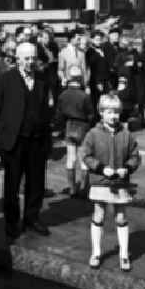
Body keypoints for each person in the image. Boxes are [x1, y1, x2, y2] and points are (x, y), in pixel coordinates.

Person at [0, 42, 51, 240]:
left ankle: (32, 218)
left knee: (36, 183)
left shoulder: (43, 80)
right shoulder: (5, 80)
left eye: (33, 58)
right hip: (14, 141)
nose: (30, 62)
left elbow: (47, 110)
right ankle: (11, 222)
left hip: (37, 140)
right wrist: (0, 142)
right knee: (12, 185)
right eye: (26, 58)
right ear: (17, 59)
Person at [80, 93, 141, 271]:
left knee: (121, 216)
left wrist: (127, 168)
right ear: (101, 113)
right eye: (109, 112)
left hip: (120, 183)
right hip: (100, 181)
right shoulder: (92, 134)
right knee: (98, 214)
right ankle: (96, 252)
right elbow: (85, 155)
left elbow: (135, 156)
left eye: (116, 112)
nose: (113, 116)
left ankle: (123, 254)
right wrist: (100, 168)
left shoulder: (127, 134)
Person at [54, 65, 93, 198]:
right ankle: (84, 188)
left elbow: (59, 114)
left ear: (69, 77)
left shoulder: (63, 95)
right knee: (83, 159)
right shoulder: (84, 96)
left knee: (71, 158)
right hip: (83, 127)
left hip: (69, 126)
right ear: (80, 78)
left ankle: (72, 188)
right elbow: (91, 114)